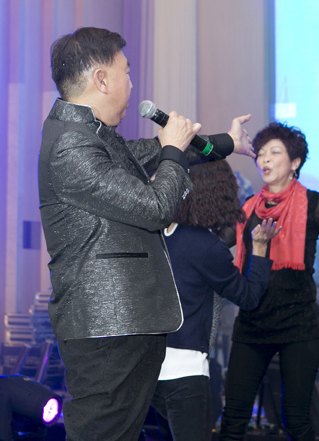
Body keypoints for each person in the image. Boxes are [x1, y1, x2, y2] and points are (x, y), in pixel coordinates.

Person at [38, 26, 256, 441]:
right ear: (101, 79)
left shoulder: (89, 135)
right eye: (126, 72)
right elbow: (155, 208)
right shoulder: (72, 144)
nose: (132, 83)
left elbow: (148, 153)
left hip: (125, 323)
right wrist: (172, 148)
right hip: (108, 326)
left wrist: (227, 141)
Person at [219, 122, 319, 441]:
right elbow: (215, 245)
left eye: (274, 152)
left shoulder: (313, 203)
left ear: (295, 162)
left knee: (297, 420)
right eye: (261, 154)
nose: (265, 159)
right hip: (252, 324)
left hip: (299, 325)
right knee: (233, 418)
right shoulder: (248, 207)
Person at [152, 160, 278, 441]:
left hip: (146, 368)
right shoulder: (204, 246)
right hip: (184, 370)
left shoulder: (155, 236)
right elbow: (248, 297)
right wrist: (260, 248)